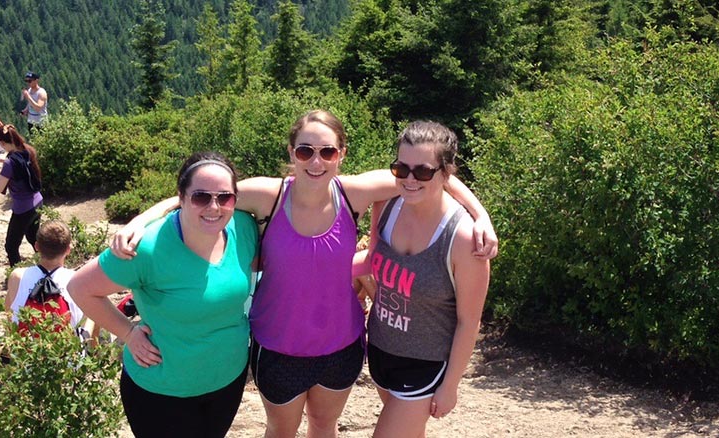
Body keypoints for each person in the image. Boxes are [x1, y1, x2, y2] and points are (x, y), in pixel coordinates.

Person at [111, 110, 498, 438]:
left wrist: (480, 216)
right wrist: (142, 218)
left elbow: (432, 173)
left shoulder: (355, 193)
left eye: (327, 151)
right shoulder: (268, 196)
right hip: (277, 348)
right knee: (280, 433)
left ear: (341, 154)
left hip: (342, 346)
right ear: (291, 153)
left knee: (324, 427)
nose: (316, 161)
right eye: (305, 150)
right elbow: (200, 192)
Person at [69, 152, 257, 438]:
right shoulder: (147, 247)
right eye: (201, 197)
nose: (214, 207)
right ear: (181, 197)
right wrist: (128, 333)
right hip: (161, 389)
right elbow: (80, 288)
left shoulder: (243, 228)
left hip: (227, 379)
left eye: (225, 197)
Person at [365, 121, 491, 437]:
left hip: (424, 365)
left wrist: (451, 385)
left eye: (422, 171)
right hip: (380, 352)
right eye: (401, 168)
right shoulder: (387, 202)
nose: (409, 179)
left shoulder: (463, 239)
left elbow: (469, 321)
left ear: (446, 172)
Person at [4, 221, 86, 334]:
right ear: (68, 250)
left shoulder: (17, 276)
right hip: (65, 349)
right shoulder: (77, 279)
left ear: (36, 246)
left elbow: (9, 316)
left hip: (26, 348)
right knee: (92, 317)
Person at [0, 125, 43, 265]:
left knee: (11, 246)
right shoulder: (28, 150)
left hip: (23, 209)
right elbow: (22, 166)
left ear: (1, 143)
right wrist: (2, 161)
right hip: (37, 201)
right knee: (33, 238)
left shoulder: (10, 163)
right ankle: (47, 267)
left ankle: (16, 275)